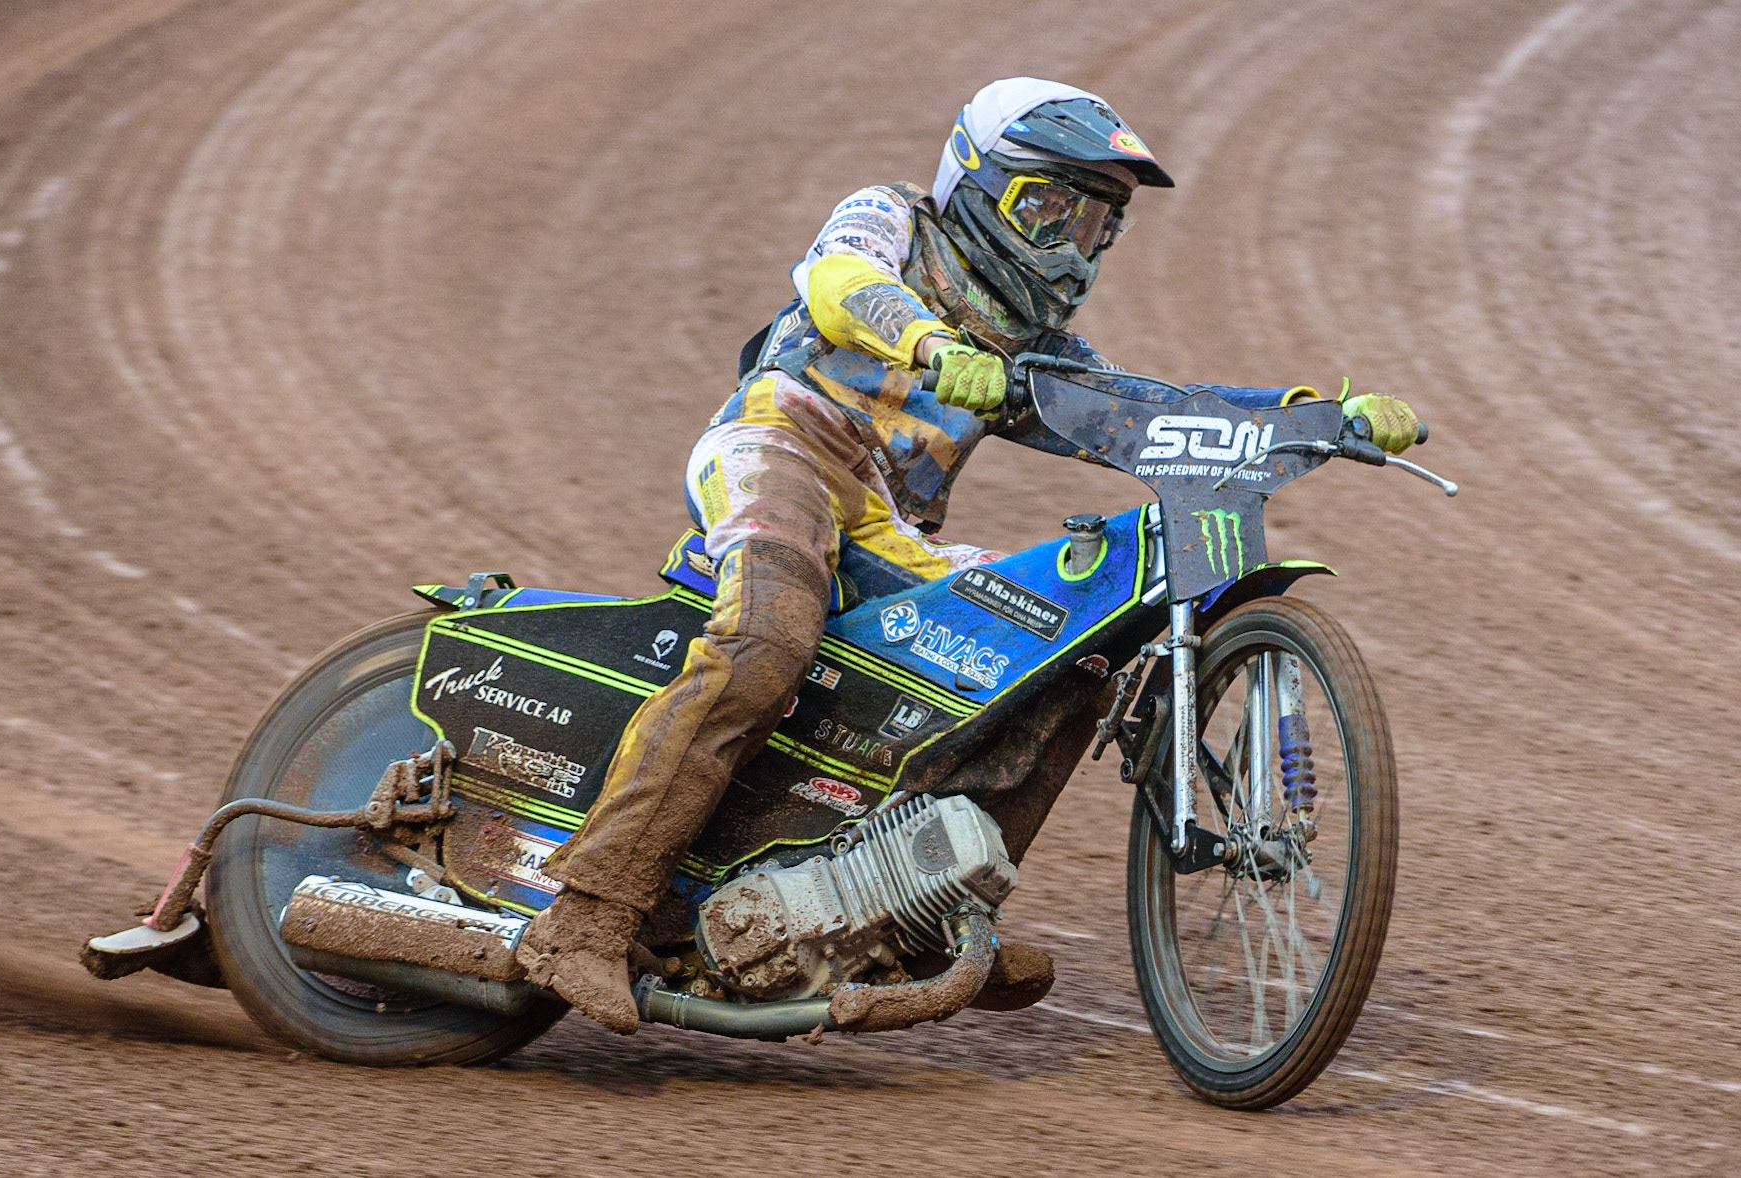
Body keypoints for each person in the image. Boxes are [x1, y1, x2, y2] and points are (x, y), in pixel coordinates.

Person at [515, 77, 1419, 1033]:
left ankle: (935, 915)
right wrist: (927, 344)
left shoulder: (1037, 348)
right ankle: (587, 912)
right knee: (767, 637)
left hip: (888, 529)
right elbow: (837, 283)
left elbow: (1147, 408)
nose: (1070, 245)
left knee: (1076, 649)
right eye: (1048, 208)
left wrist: (1310, 417)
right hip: (782, 447)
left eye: (1094, 224)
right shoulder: (891, 219)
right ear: (976, 183)